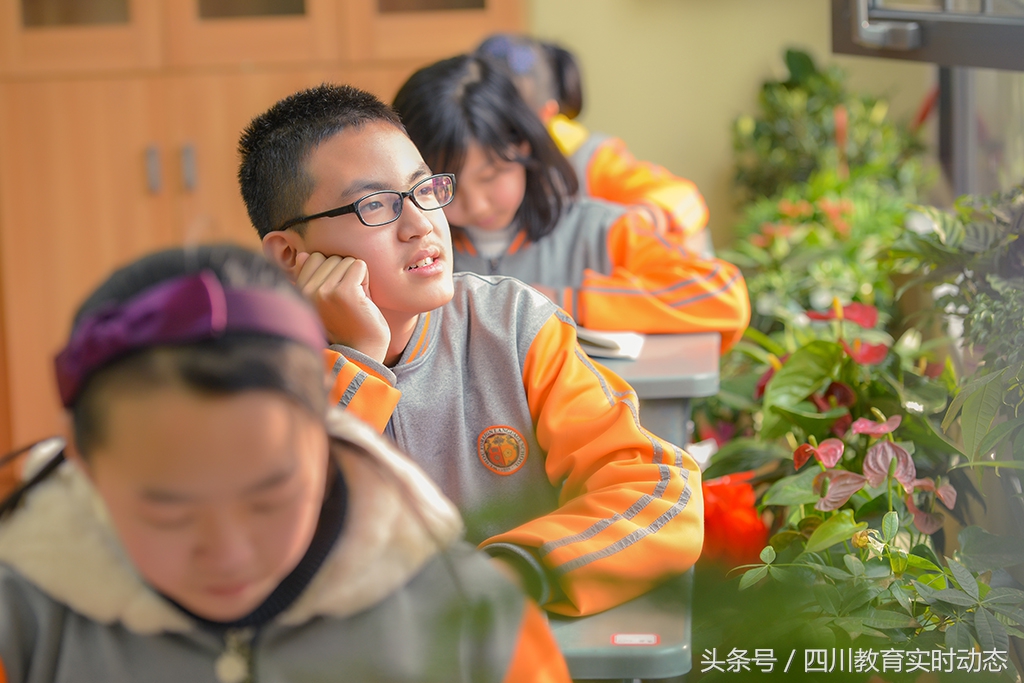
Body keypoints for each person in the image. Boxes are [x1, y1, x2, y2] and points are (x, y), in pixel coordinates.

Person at [0, 244, 570, 683]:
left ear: (329, 435)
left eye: (270, 498)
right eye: (167, 512)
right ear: (84, 462)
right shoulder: (20, 605)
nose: (229, 553)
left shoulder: (469, 613)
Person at [241, 84, 704, 617]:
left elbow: (661, 494)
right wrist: (355, 363)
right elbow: (264, 552)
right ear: (289, 256)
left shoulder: (512, 326)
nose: (421, 224)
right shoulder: (249, 376)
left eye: (423, 190)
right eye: (376, 206)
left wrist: (511, 573)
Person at [392, 54, 749, 347]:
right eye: (443, 187)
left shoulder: (599, 229)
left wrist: (567, 301)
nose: (478, 205)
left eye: (492, 175)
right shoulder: (415, 253)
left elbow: (723, 296)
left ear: (526, 145)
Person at [476, 33, 711, 244]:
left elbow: (684, 200)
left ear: (546, 115)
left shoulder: (588, 158)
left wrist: (642, 221)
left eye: (512, 128)